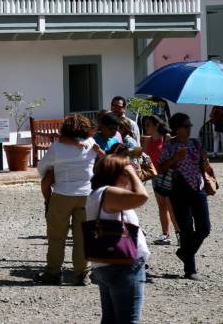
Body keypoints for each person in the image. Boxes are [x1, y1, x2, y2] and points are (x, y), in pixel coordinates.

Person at [35, 114, 105, 286]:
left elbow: (41, 168)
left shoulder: (57, 148)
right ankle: (82, 274)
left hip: (63, 193)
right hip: (86, 194)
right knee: (83, 237)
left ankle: (53, 273)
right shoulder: (90, 144)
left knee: (57, 236)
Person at [87, 156, 150, 324]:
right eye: (127, 171)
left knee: (110, 320)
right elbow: (142, 196)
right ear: (118, 173)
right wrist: (130, 171)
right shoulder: (108, 192)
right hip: (123, 266)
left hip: (108, 265)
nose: (134, 172)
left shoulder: (99, 194)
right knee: (128, 320)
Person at [157, 113, 211, 280]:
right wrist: (176, 158)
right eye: (186, 126)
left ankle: (184, 252)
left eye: (190, 126)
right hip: (178, 190)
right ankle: (190, 269)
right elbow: (159, 169)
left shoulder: (195, 143)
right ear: (176, 129)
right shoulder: (169, 146)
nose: (189, 129)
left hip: (198, 187)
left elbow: (205, 167)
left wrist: (204, 159)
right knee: (186, 230)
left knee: (204, 228)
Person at [142, 115, 179, 245]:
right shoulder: (147, 141)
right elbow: (145, 159)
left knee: (171, 205)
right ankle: (165, 234)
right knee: (161, 205)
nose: (145, 127)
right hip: (155, 176)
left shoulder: (167, 138)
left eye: (148, 125)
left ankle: (179, 233)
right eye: (145, 125)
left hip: (168, 175)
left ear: (156, 125)